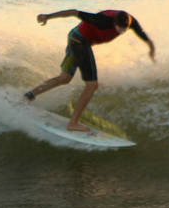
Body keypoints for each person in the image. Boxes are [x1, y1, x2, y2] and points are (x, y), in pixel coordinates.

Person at [24, 9, 155, 132]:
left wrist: (151, 46)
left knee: (64, 78)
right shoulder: (101, 20)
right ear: (114, 22)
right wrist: (48, 16)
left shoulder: (130, 20)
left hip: (74, 37)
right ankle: (73, 123)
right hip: (80, 41)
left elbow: (141, 33)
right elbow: (74, 12)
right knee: (92, 85)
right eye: (118, 29)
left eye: (124, 30)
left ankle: (29, 95)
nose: (120, 32)